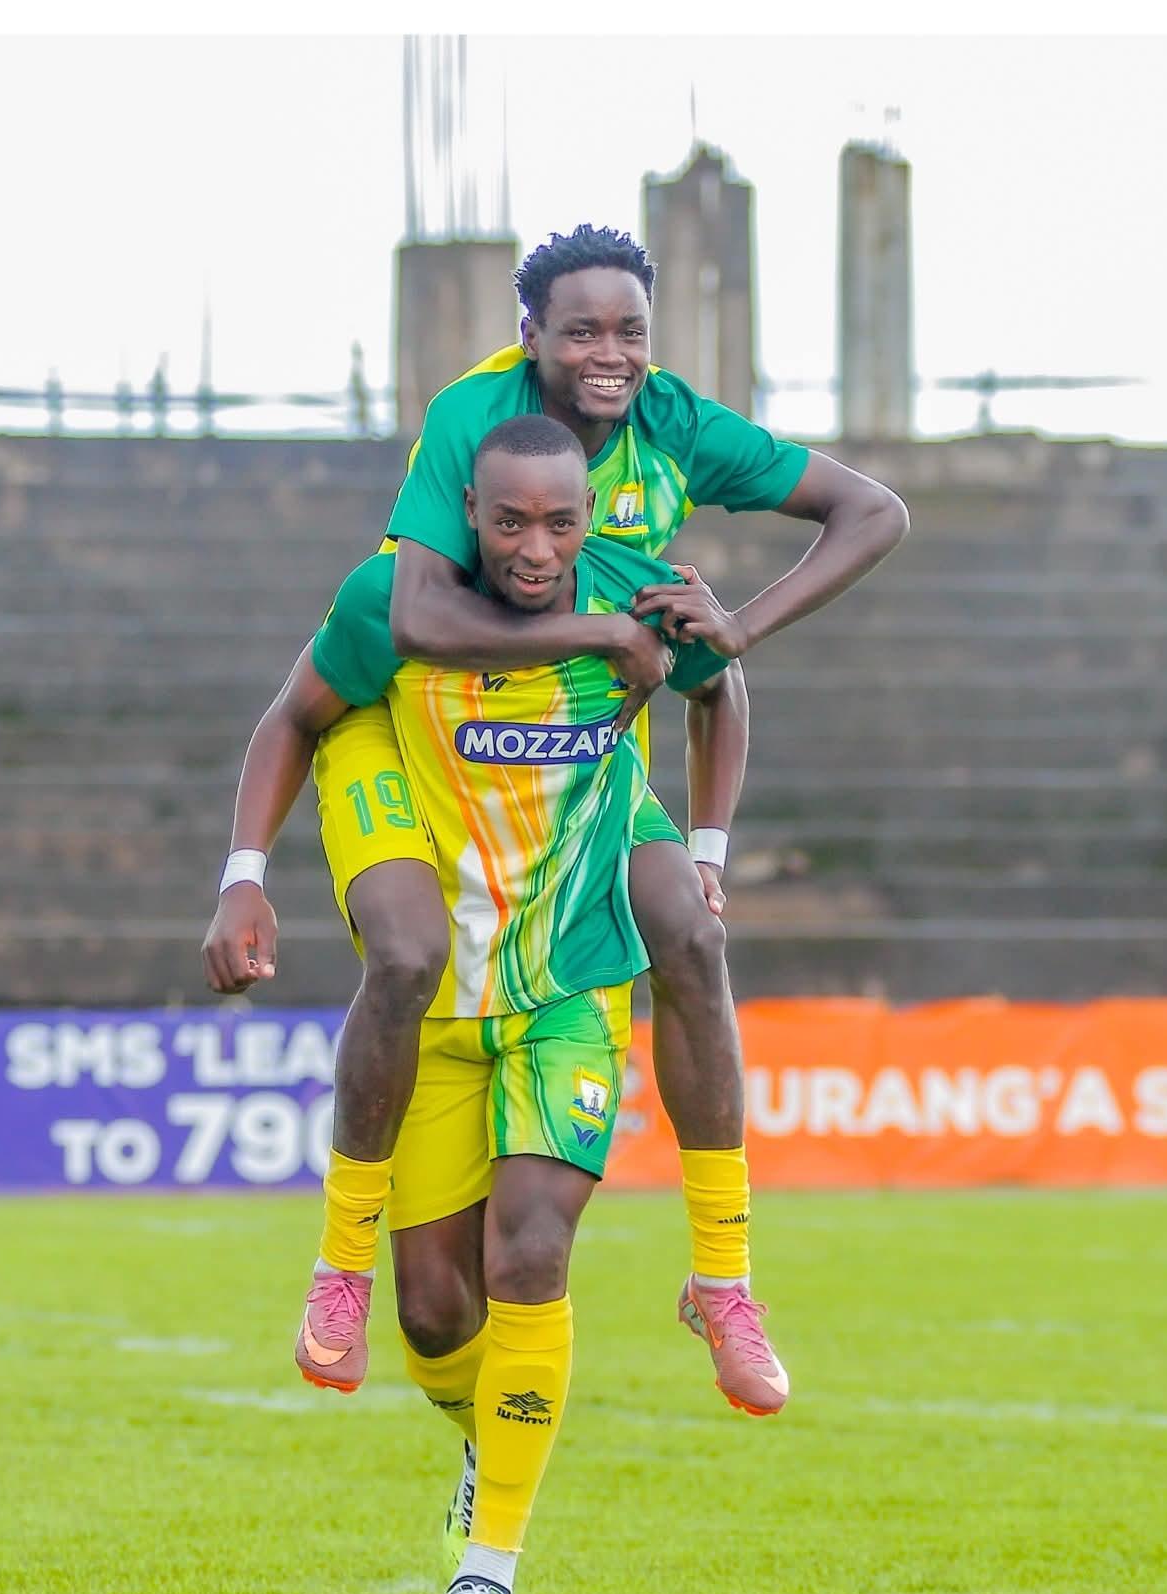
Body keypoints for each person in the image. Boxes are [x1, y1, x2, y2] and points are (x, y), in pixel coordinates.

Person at [204, 223, 907, 1413]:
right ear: (526, 338)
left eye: (629, 329)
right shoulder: (467, 423)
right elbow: (420, 615)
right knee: (413, 951)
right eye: (578, 329)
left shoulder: (672, 430)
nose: (608, 353)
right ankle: (342, 1261)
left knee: (687, 926)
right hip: (409, 710)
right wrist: (604, 632)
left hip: (569, 738)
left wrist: (733, 646)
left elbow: (868, 515)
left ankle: (723, 1279)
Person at [206, 416, 752, 1594]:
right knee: (439, 1317)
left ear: (590, 513)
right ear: (466, 510)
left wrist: (704, 854)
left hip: (567, 987)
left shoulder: (642, 594)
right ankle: (475, 1433)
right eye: (508, 520)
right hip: (442, 1007)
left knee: (531, 1252)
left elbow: (723, 685)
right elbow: (294, 714)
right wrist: (244, 871)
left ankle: (486, 1573)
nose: (535, 545)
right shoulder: (393, 606)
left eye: (559, 521)